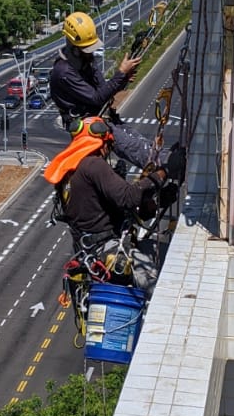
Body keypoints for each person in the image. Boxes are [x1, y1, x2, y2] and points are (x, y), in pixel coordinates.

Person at [43, 117, 173, 288]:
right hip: (107, 250)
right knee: (162, 278)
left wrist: (159, 201)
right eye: (108, 145)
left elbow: (104, 209)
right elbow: (128, 198)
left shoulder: (70, 169)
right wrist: (165, 171)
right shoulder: (93, 164)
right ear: (103, 144)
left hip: (90, 251)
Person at [49, 11, 153, 170]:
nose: (91, 53)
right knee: (136, 150)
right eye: (87, 50)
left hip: (100, 115)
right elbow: (97, 98)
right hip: (86, 124)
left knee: (143, 144)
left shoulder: (86, 60)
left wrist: (122, 79)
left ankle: (159, 159)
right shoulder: (63, 72)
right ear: (75, 49)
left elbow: (103, 90)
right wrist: (120, 74)